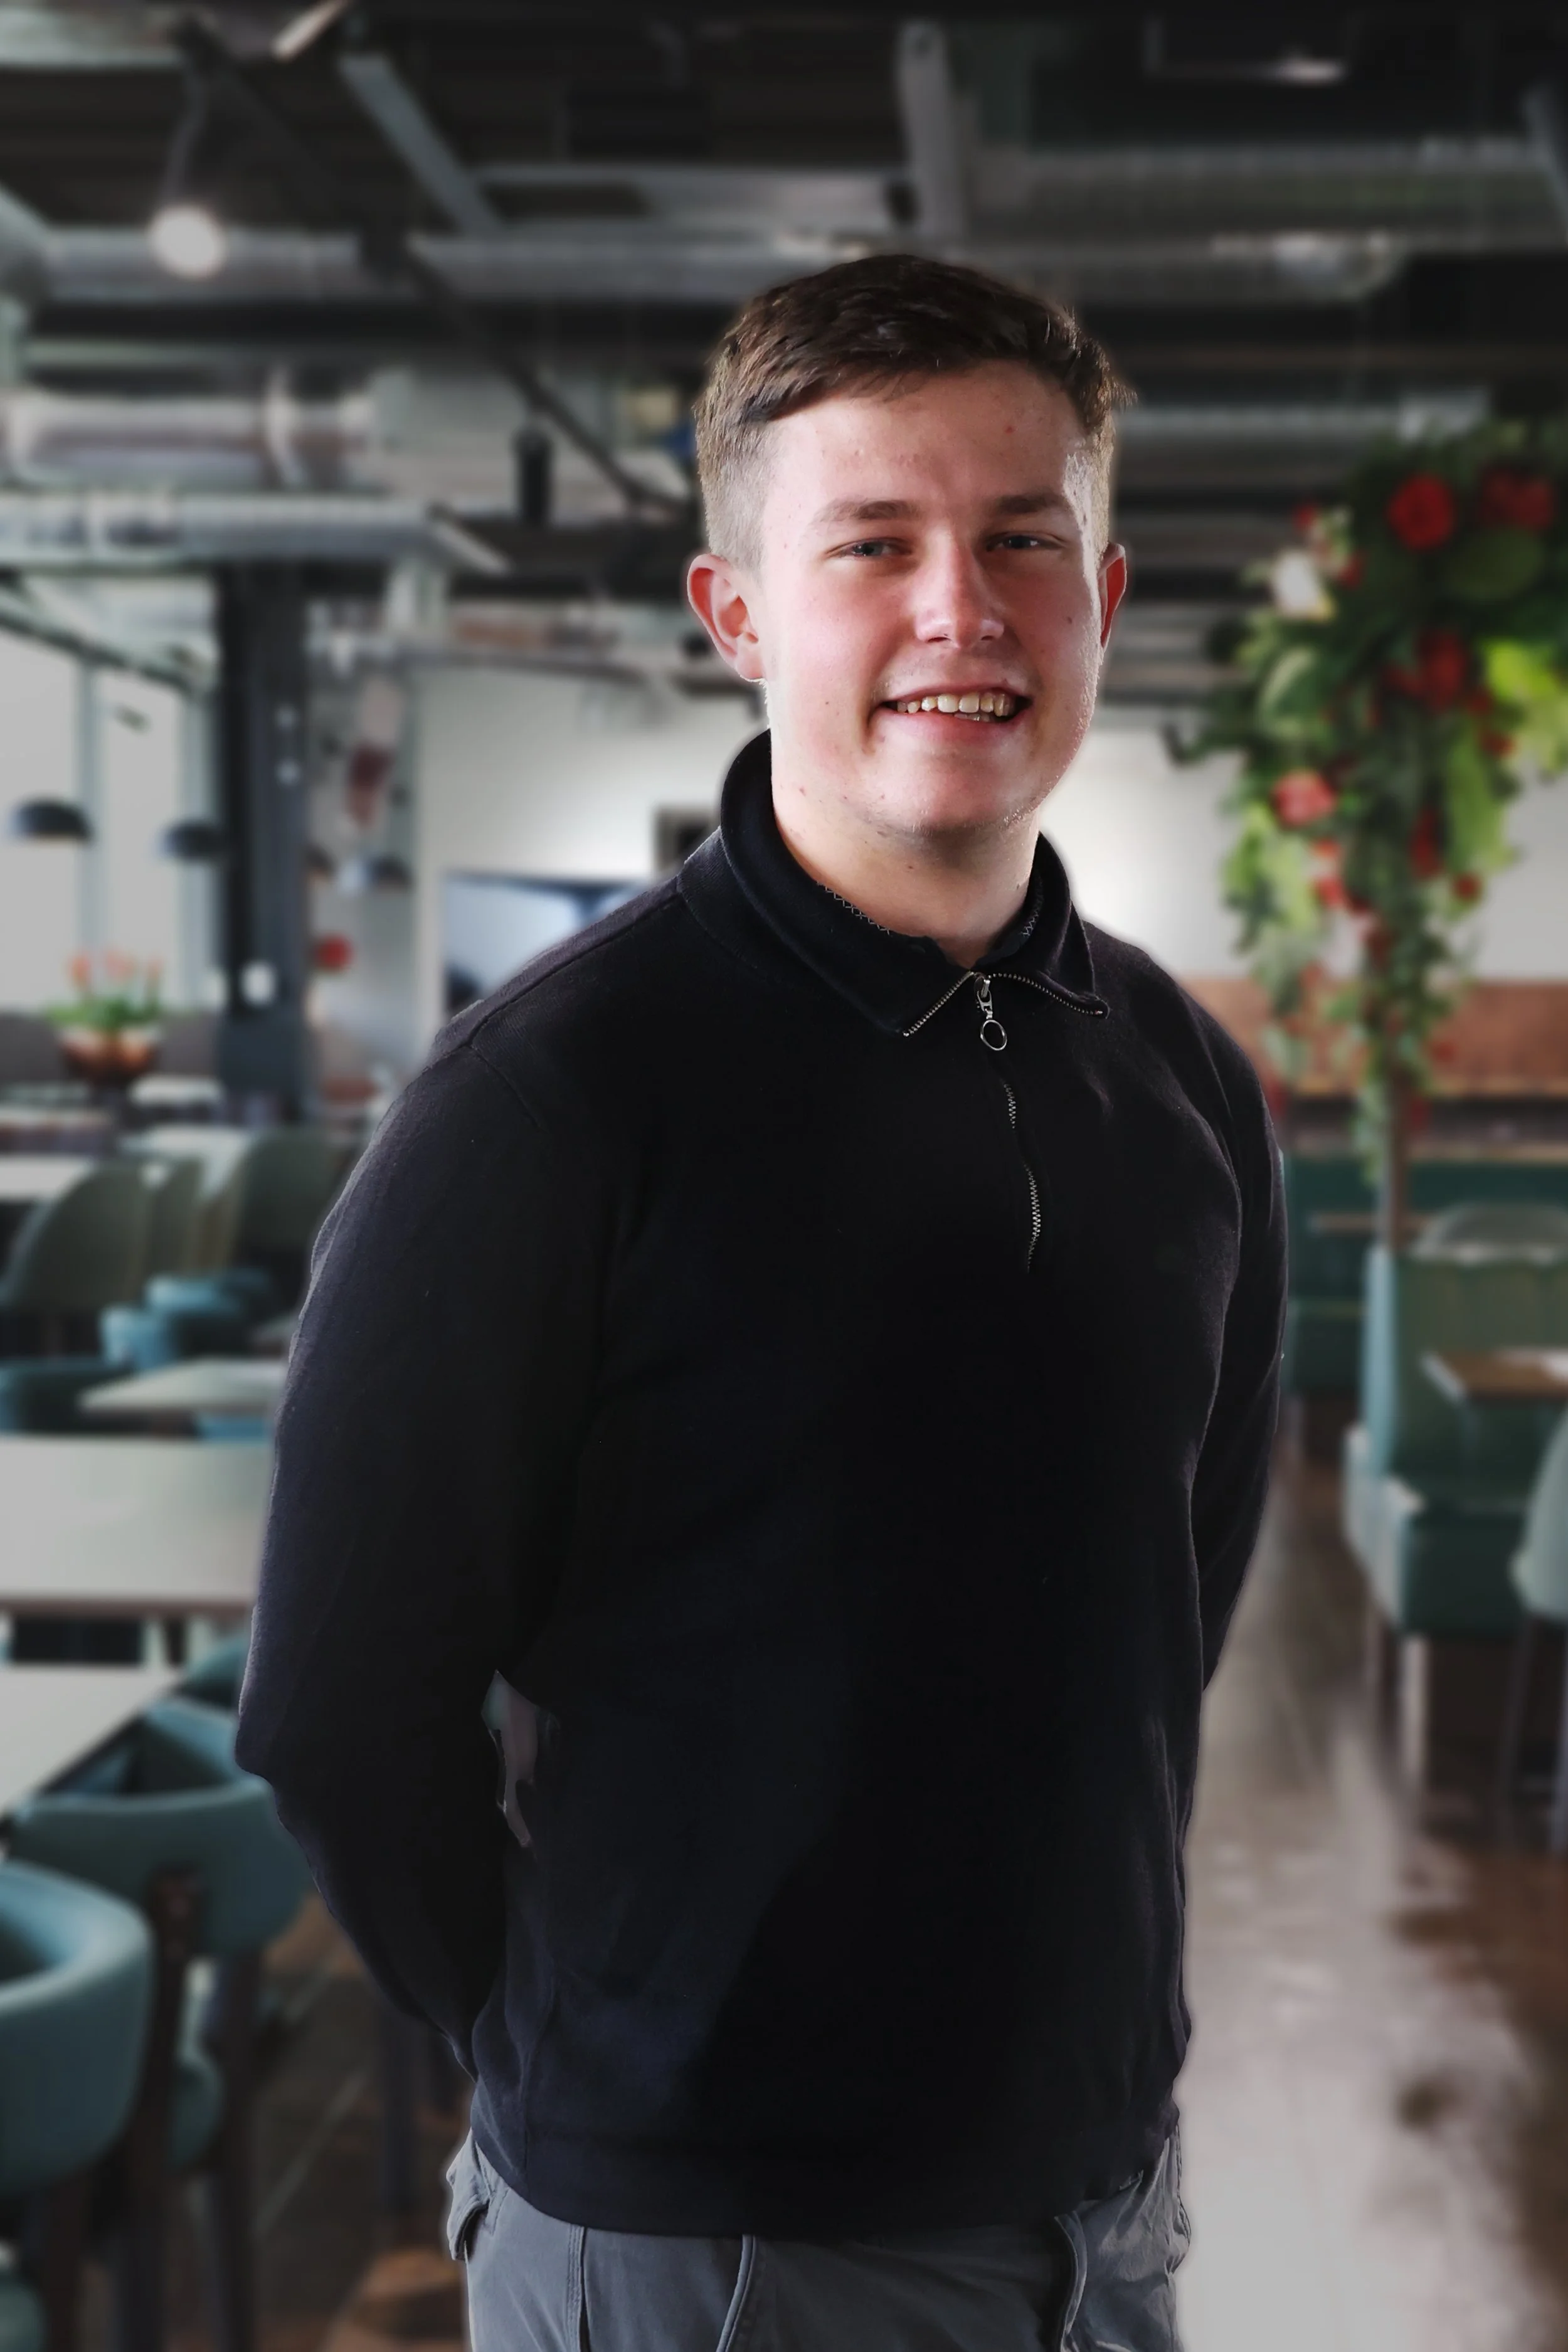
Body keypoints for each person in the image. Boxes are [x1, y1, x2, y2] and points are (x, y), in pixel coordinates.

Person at [236, 255, 1286, 2352]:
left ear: (1102, 595)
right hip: (710, 2240)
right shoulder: (551, 1096)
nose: (958, 610)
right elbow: (343, 1704)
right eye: (872, 544)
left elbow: (1178, 1592)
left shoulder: (1180, 1078)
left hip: (1101, 2194)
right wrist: (591, 2056)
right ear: (735, 614)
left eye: (1021, 542)